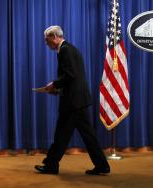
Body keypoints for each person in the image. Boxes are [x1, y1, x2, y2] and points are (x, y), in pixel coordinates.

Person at [34, 25, 110, 175]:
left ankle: (51, 165)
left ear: (55, 36)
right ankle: (102, 166)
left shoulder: (65, 50)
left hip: (73, 102)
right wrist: (58, 89)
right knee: (87, 136)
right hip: (77, 100)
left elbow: (70, 75)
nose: (46, 43)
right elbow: (73, 77)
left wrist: (54, 84)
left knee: (61, 135)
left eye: (46, 39)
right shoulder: (70, 49)